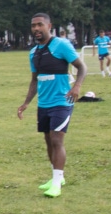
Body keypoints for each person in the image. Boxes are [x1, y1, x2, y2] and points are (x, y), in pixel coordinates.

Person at [16, 13, 87, 198]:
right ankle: (57, 176)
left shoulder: (61, 45)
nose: (36, 29)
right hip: (44, 103)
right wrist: (26, 103)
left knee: (57, 139)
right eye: (33, 26)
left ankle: (56, 184)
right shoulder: (34, 52)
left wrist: (77, 86)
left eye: (40, 25)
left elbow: (82, 67)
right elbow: (35, 80)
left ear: (49, 26)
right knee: (48, 140)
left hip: (62, 101)